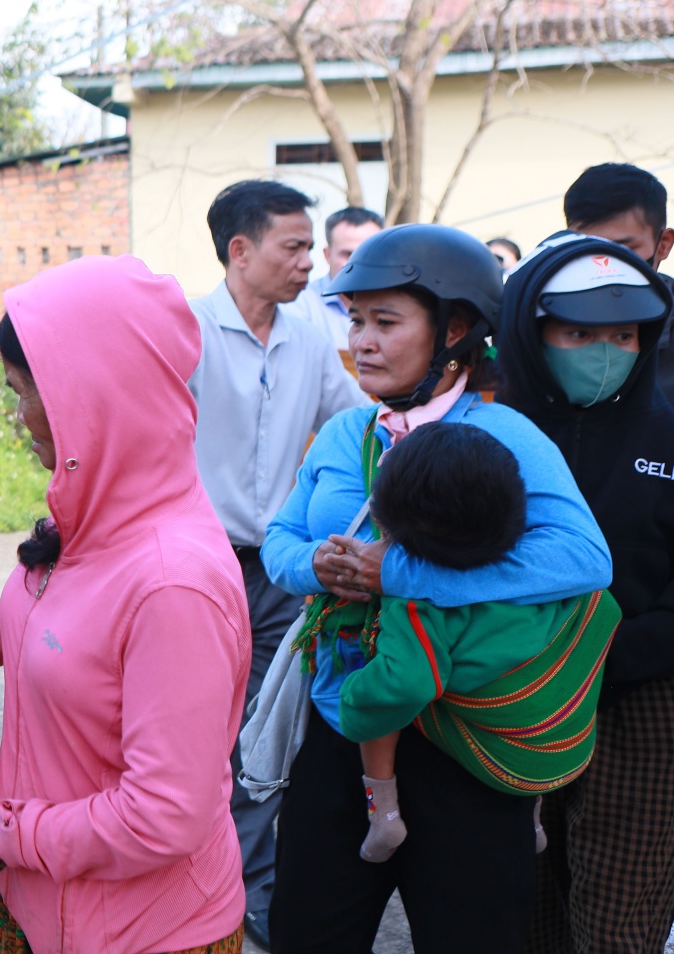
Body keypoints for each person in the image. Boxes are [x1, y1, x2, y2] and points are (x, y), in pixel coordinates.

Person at [0, 255, 251, 954]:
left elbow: (164, 816)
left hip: (140, 933)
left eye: (25, 393)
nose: (17, 416)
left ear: (91, 398)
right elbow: (91, 628)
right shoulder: (104, 508)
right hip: (39, 899)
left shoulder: (174, 583)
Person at [260, 224, 612, 954]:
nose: (362, 341)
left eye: (386, 322)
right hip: (343, 726)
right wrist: (314, 566)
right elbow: (279, 541)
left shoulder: (507, 435)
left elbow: (583, 558)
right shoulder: (344, 433)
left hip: (464, 745)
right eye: (356, 320)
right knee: (306, 932)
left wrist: (396, 574)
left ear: (454, 331)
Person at [192, 180, 367, 946]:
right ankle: (190, 871)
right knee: (193, 727)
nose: (308, 264)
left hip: (279, 572)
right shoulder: (186, 332)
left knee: (267, 729)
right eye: (294, 247)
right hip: (197, 571)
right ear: (241, 250)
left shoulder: (308, 337)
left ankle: (249, 887)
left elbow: (358, 422)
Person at [494, 232, 674, 954]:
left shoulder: (667, 431)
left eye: (624, 335)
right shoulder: (488, 434)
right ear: (531, 333)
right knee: (522, 901)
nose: (604, 351)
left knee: (619, 917)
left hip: (643, 698)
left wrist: (615, 652)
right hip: (510, 693)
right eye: (579, 333)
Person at [327, 421, 616, 866]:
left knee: (382, 693)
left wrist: (350, 695)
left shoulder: (418, 607)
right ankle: (532, 819)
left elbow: (403, 685)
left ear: (387, 521)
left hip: (503, 761)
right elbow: (605, 611)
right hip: (563, 750)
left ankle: (383, 812)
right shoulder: (549, 579)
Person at [562, 162, 674, 406]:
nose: (604, 264)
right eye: (588, 248)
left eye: (623, 250)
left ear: (663, 245)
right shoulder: (547, 316)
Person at [284, 206, 385, 349]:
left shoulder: (399, 306)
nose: (360, 264)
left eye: (369, 254)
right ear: (327, 255)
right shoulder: (299, 305)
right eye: (348, 254)